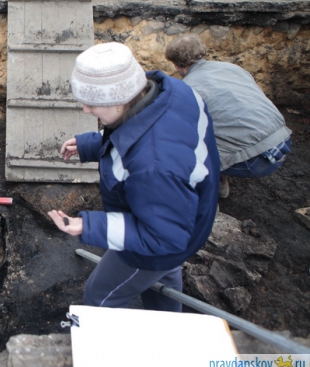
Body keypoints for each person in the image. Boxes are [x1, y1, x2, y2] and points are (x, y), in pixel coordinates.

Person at [48, 42, 220, 312]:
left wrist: (87, 225)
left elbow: (162, 238)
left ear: (119, 99)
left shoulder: (154, 167)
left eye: (92, 103)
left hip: (162, 238)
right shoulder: (175, 91)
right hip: (186, 217)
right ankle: (168, 322)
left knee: (101, 295)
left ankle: (106, 338)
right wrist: (92, 144)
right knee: (164, 274)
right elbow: (144, 132)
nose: (85, 110)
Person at [165, 34, 292, 198]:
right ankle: (220, 184)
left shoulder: (189, 88)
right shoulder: (232, 68)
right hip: (283, 141)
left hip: (257, 160)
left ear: (176, 65)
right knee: (219, 127)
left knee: (181, 149)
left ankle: (206, 201)